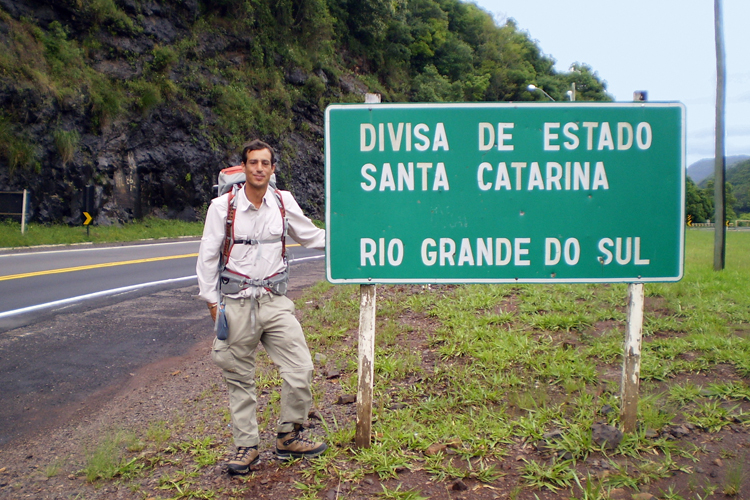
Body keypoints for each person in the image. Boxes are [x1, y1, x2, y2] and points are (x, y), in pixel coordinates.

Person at [196, 140, 327, 475]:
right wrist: (212, 301)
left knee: (301, 368)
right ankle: (246, 446)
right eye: (252, 162)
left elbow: (312, 237)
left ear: (272, 168)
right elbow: (208, 257)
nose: (258, 168)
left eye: (264, 163)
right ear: (243, 168)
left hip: (275, 301)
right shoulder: (221, 208)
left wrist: (353, 239)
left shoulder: (283, 202)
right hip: (237, 303)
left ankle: (288, 437)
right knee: (239, 376)